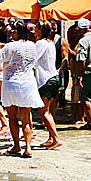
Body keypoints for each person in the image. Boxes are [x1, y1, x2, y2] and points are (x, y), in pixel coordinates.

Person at [0, 22, 44, 157]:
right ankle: (28, 147)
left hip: (11, 82)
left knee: (12, 116)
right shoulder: (33, 46)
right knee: (26, 117)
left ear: (16, 32)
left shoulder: (11, 46)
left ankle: (16, 145)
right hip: (27, 82)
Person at [34, 20, 62, 149]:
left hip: (45, 80)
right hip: (54, 77)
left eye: (36, 28)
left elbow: (33, 61)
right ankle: (51, 137)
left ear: (41, 30)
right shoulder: (51, 43)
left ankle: (56, 138)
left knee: (43, 112)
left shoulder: (40, 43)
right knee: (48, 111)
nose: (34, 31)